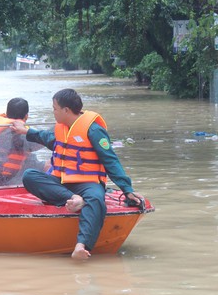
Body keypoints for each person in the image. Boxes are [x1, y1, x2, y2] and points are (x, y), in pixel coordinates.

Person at [11, 88, 142, 260]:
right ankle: (75, 199)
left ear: (66, 110)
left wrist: (127, 188)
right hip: (61, 181)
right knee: (29, 176)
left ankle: (81, 246)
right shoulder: (61, 128)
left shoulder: (94, 130)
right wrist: (25, 130)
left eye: (55, 108)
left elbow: (110, 160)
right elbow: (47, 138)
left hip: (87, 183)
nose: (53, 112)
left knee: (95, 199)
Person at [0, 98, 43, 186]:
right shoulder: (13, 133)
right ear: (26, 116)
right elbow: (34, 145)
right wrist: (55, 132)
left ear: (6, 114)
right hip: (1, 180)